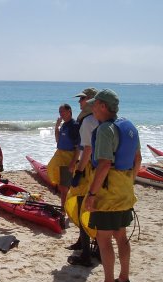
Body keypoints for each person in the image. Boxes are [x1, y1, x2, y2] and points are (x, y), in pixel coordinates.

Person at [83, 89, 142, 282]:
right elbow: (138, 160)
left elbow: (104, 164)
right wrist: (128, 182)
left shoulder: (105, 130)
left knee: (104, 238)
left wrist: (91, 195)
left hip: (107, 195)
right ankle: (124, 278)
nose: (92, 108)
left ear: (103, 106)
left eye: (94, 104)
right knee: (121, 235)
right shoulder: (129, 126)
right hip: (124, 191)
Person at [65, 88, 100, 267]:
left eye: (83, 99)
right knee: (95, 209)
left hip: (87, 169)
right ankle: (90, 246)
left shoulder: (87, 121)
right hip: (99, 168)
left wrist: (77, 171)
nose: (80, 102)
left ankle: (86, 253)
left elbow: (87, 148)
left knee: (81, 207)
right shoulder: (101, 119)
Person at [46, 104, 80, 208]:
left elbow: (78, 147)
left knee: (64, 188)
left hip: (68, 160)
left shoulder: (74, 126)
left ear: (69, 111)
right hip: (60, 158)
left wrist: (73, 163)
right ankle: (65, 208)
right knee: (62, 186)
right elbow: (57, 140)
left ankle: (64, 210)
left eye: (62, 112)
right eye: (59, 112)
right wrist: (57, 126)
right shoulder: (64, 125)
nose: (61, 114)